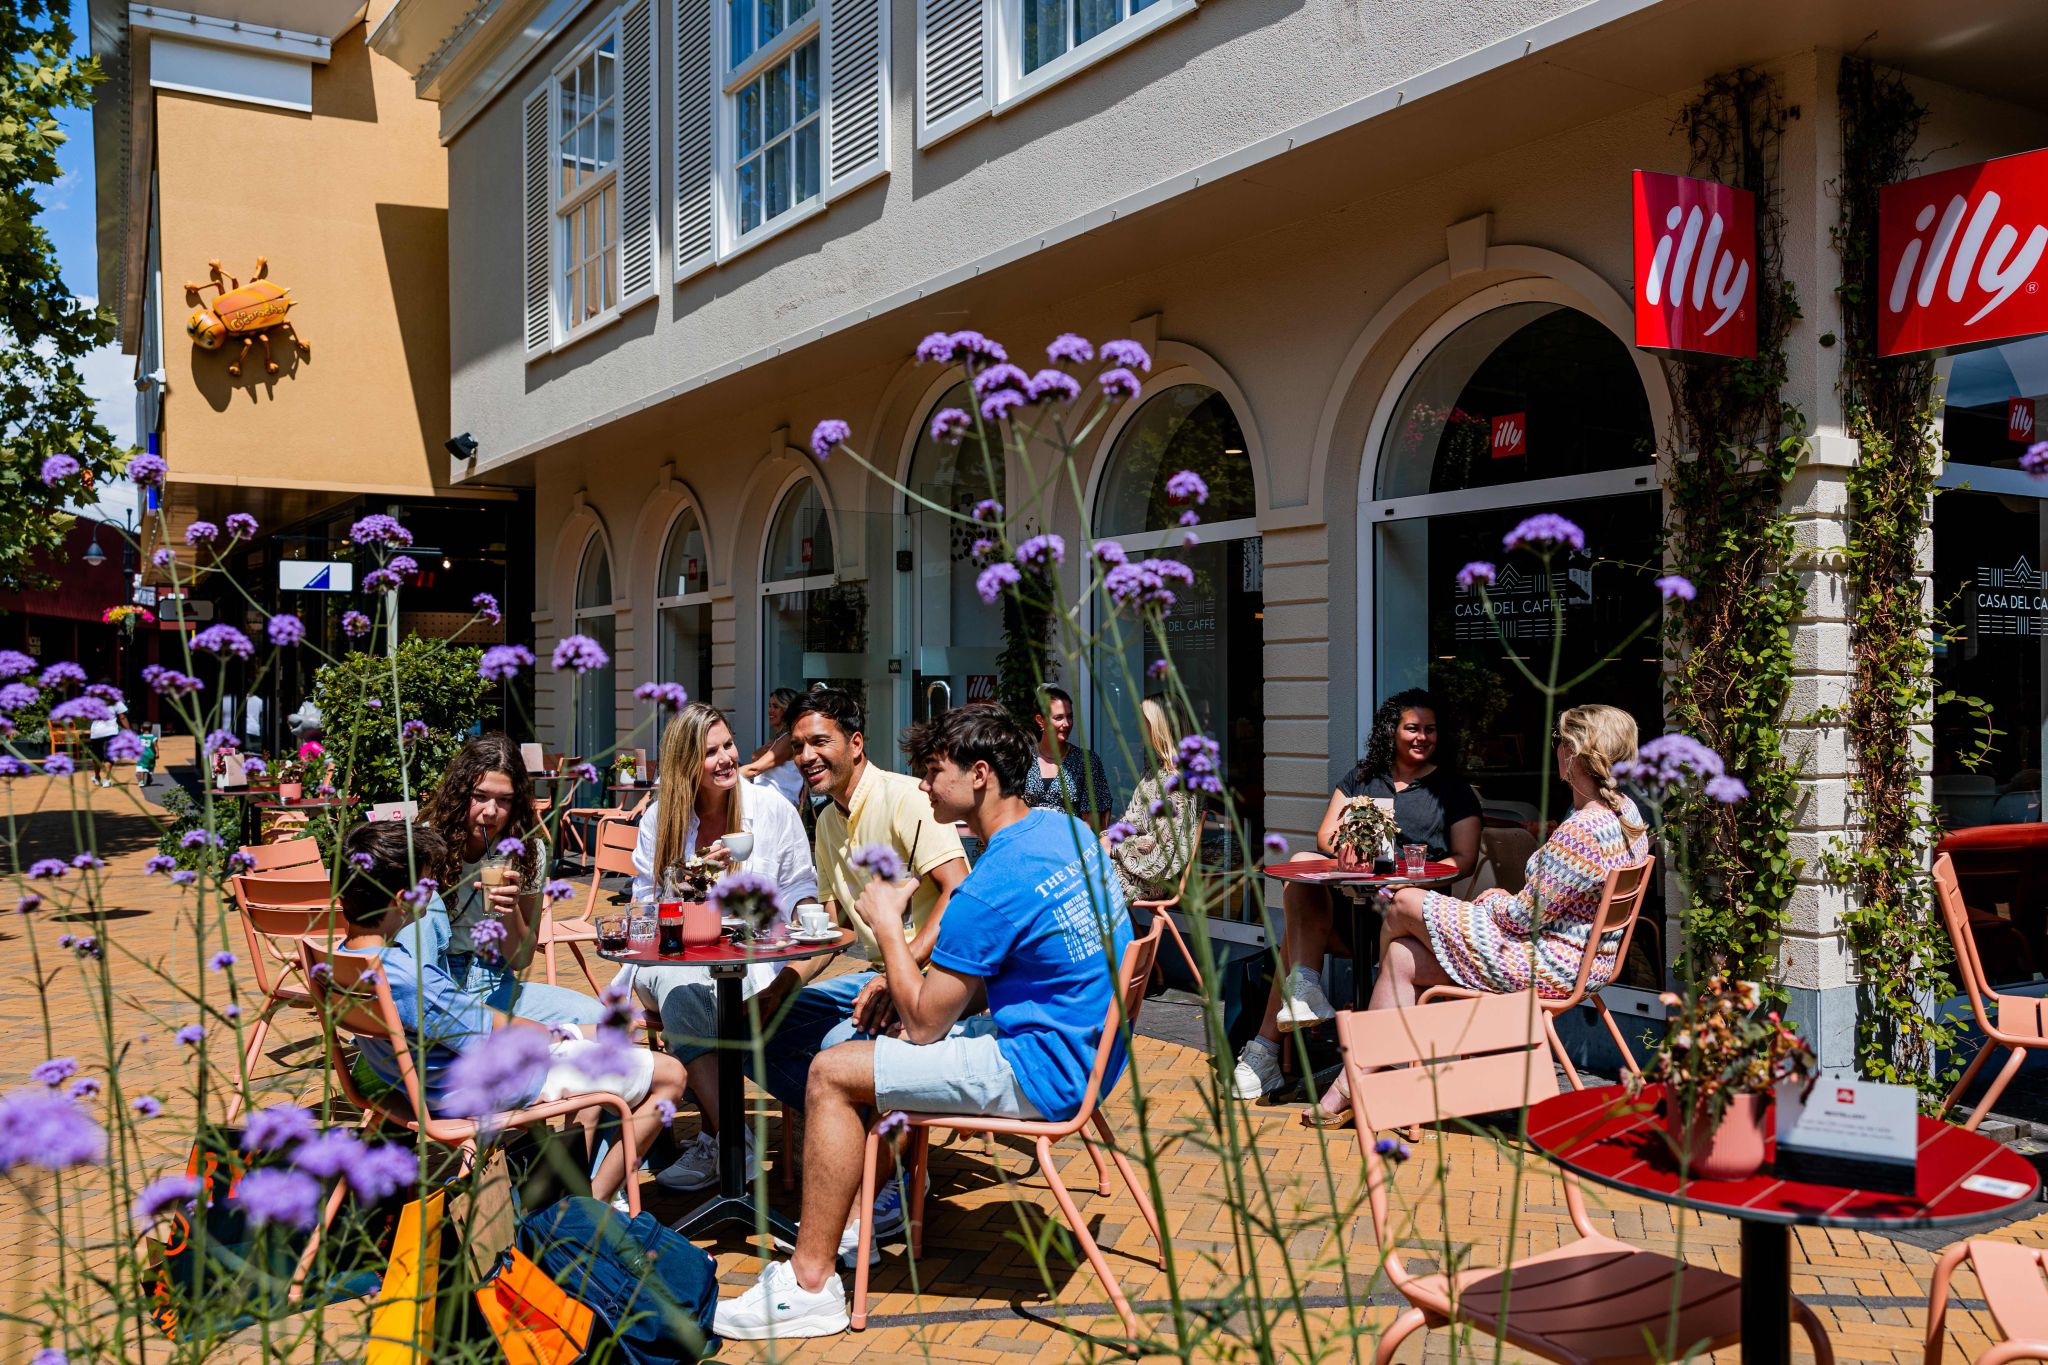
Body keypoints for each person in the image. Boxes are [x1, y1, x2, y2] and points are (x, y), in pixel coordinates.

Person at [714, 704, 1133, 1339]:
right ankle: (868, 1206)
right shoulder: (1066, 830)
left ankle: (810, 1283)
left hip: (1043, 1071)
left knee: (832, 1072)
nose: (924, 786)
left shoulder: (990, 883)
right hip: (1093, 1051)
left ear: (981, 775)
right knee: (867, 1045)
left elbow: (927, 1022)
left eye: (935, 772)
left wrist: (886, 922)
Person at [1303, 703, 1652, 1125]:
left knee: (1403, 902)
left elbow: (1523, 917)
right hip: (1577, 960)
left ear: (1575, 754)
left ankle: (1385, 1062)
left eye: (1560, 742)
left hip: (1543, 963)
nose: (1555, 750)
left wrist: (1492, 899)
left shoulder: (1582, 830)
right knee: (1400, 958)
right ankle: (1355, 1085)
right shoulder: (1626, 815)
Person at [335, 819, 684, 1205]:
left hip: (418, 1087)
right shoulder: (405, 977)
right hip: (474, 1090)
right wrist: (574, 1033)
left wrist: (577, 1031)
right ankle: (594, 1205)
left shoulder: (339, 961)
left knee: (594, 1075)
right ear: (403, 899)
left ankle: (568, 1193)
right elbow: (499, 1038)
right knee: (670, 1074)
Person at [751, 687, 968, 1261]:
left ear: (855, 743)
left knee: (836, 1048)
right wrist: (780, 987)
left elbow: (958, 890)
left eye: (819, 741)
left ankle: (887, 1171)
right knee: (752, 1034)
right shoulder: (826, 822)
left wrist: (907, 960)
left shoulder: (906, 798)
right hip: (876, 973)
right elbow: (834, 930)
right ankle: (863, 1142)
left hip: (939, 981)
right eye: (797, 745)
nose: (806, 755)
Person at [1231, 688, 1481, 1101]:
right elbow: (1325, 834)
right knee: (1302, 862)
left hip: (1408, 917)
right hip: (1353, 910)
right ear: (1392, 732)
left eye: (1430, 730)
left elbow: (1465, 859)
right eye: (1413, 729)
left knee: (1293, 941)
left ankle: (1266, 1052)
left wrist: (1413, 873)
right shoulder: (1364, 778)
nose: (1422, 737)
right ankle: (1304, 994)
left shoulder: (1451, 789)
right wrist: (1344, 850)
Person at [626, 701, 817, 1192]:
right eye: (710, 752)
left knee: (704, 1000)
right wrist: (695, 883)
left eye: (728, 745)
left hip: (749, 960)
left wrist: (804, 923)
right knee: (684, 987)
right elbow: (645, 908)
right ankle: (736, 1139)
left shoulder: (770, 808)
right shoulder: (662, 819)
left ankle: (716, 1139)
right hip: (672, 958)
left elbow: (799, 887)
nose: (726, 758)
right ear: (686, 763)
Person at [407, 733, 604, 1027]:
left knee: (600, 1019)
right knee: (430, 900)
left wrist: (509, 911)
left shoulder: (527, 851)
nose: (490, 812)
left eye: (504, 800)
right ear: (461, 793)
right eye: (480, 796)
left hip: (492, 975)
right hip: (436, 977)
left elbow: (521, 959)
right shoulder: (427, 842)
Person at [1104, 695, 1199, 904]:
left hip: (1154, 878)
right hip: (1131, 866)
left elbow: (1161, 850)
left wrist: (1113, 847)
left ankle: (1112, 937)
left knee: (1081, 881)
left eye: (1142, 720)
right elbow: (1132, 819)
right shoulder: (1154, 770)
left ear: (1160, 726)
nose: (1137, 727)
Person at [1021, 686, 1112, 829]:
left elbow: (1093, 822)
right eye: (1059, 718)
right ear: (1040, 720)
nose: (1067, 723)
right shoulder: (1023, 759)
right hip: (1028, 845)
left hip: (1071, 846)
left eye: (1070, 716)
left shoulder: (1086, 761)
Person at [740, 686, 805, 807]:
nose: (770, 711)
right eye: (770, 706)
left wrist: (724, 777)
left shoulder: (788, 739)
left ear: (787, 710)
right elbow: (755, 758)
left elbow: (755, 769)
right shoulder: (777, 739)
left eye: (776, 707)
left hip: (778, 805)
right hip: (767, 801)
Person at [86, 678, 132, 788]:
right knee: (109, 756)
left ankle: (97, 777)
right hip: (111, 731)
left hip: (96, 732)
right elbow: (122, 717)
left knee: (96, 756)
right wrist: (128, 730)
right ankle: (107, 780)